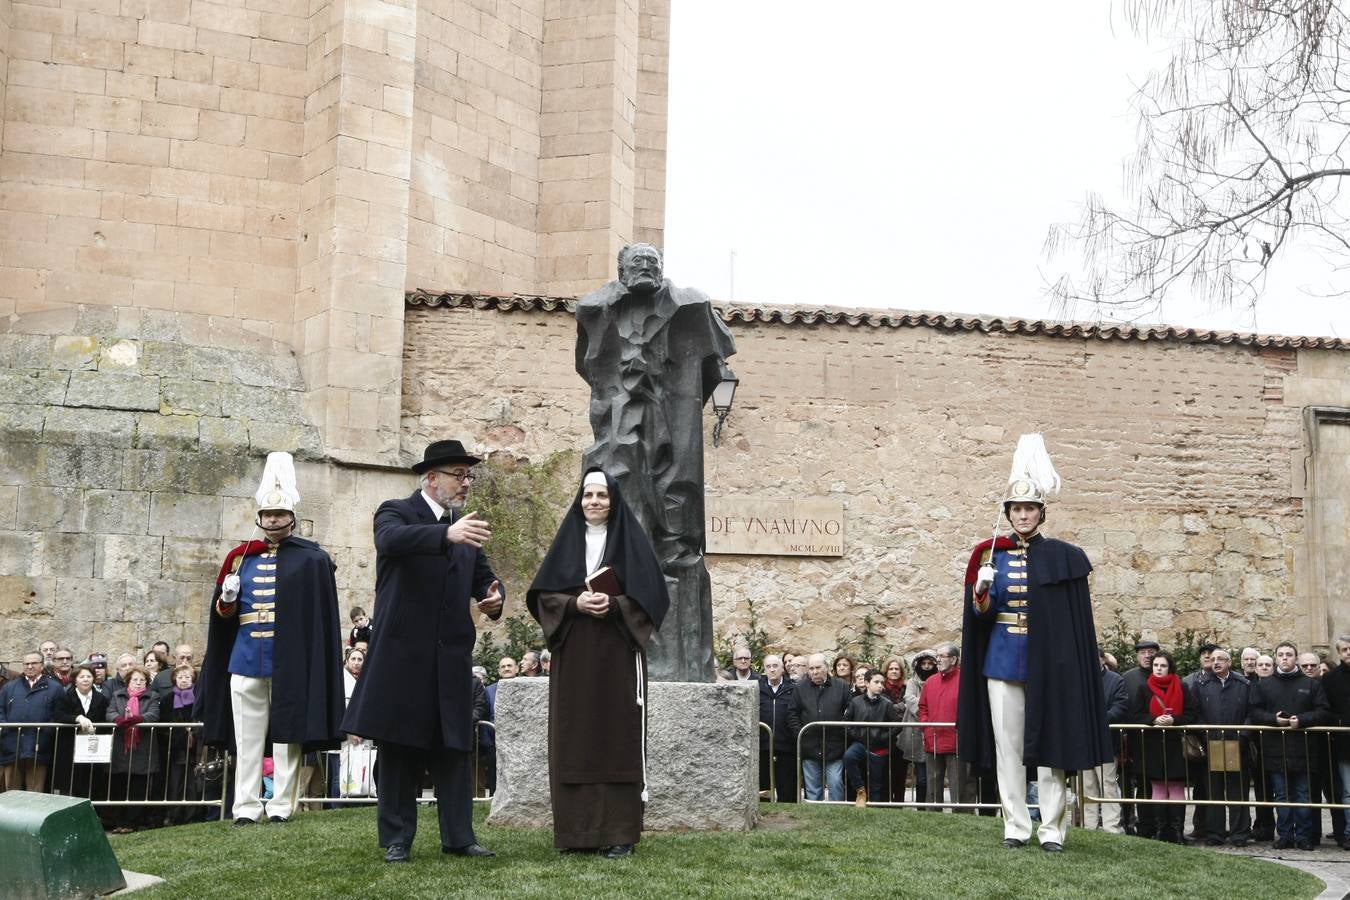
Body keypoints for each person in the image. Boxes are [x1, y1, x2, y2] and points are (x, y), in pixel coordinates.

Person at [574, 242, 736, 682]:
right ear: (621, 270)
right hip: (620, 428)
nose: (644, 267)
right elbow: (591, 369)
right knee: (624, 508)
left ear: (661, 269)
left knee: (676, 521)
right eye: (636, 262)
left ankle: (677, 650)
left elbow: (713, 365)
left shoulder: (691, 306)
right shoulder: (597, 308)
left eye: (652, 262)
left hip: (670, 423)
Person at [343, 439, 504, 864]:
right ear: (431, 478)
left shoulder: (465, 529)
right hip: (403, 656)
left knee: (454, 748)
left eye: (468, 475)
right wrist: (444, 534)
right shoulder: (396, 511)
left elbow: (486, 580)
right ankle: (397, 838)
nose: (465, 482)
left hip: (450, 657)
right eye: (458, 474)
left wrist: (493, 597)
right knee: (398, 749)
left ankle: (459, 837)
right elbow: (390, 541)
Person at [957, 435, 1111, 852]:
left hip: (1050, 665)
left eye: (1029, 508)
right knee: (1008, 752)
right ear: (1007, 513)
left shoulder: (1063, 556)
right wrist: (981, 593)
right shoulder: (990, 555)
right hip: (1003, 661)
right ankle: (1016, 826)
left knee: (1050, 749)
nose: (1023, 515)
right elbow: (980, 618)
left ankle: (1052, 830)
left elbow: (1071, 621)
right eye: (1016, 509)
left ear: (1041, 513)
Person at [527, 468, 670, 858]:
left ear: (613, 501)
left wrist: (615, 604)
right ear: (580, 501)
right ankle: (577, 834)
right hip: (574, 657)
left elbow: (654, 597)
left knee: (616, 740)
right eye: (588, 495)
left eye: (601, 496)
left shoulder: (630, 543)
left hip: (617, 656)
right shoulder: (566, 542)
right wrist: (575, 603)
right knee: (575, 739)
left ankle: (619, 833)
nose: (594, 502)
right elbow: (542, 597)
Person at [199, 451, 344, 825]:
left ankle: (281, 804)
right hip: (245, 658)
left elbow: (319, 618)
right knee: (247, 741)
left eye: (279, 515)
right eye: (267, 515)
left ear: (292, 518)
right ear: (259, 518)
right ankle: (245, 807)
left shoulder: (311, 559)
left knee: (286, 738)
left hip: (290, 660)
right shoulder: (239, 559)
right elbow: (224, 619)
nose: (273, 520)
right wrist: (227, 599)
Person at [1249, 641, 1330, 850]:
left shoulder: (1311, 684)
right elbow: (1255, 712)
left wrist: (1302, 720)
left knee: (1303, 795)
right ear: (1276, 657)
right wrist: (1273, 720)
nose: (1285, 658)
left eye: (1289, 654)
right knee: (1282, 795)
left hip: (1303, 749)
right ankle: (1284, 834)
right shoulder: (1264, 685)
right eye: (1281, 654)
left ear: (1296, 658)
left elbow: (1323, 711)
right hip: (1276, 750)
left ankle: (1303, 836)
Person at [1131, 651, 1194, 843]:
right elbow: (1136, 715)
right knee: (1157, 787)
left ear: (1170, 668)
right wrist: (1154, 720)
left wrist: (1174, 720)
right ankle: (1160, 831)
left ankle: (1176, 831)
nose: (1158, 669)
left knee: (1176, 787)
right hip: (1153, 746)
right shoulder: (1144, 688)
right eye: (1156, 665)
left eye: (1162, 665)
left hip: (1175, 745)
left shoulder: (1182, 687)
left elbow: (1192, 715)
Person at [1192, 648, 1252, 846]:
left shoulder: (1243, 684)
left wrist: (1243, 736)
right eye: (1213, 659)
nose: (1215, 662)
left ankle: (1239, 834)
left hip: (1237, 744)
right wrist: (1205, 734)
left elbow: (1251, 713)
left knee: (1238, 791)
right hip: (1213, 744)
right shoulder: (1201, 685)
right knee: (1214, 791)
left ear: (1229, 662)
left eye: (1220, 659)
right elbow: (1196, 712)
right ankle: (1215, 834)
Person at [787, 653, 850, 801]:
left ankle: (837, 818)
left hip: (835, 747)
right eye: (811, 668)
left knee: (836, 784)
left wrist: (842, 732)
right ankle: (814, 820)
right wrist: (800, 734)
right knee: (813, 789)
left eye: (818, 668)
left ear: (826, 667)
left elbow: (849, 711)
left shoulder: (841, 687)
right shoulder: (800, 688)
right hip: (810, 747)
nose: (815, 672)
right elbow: (792, 714)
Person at [105, 666, 161, 832]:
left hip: (142, 747)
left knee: (138, 785)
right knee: (119, 785)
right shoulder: (117, 695)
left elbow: (154, 715)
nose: (138, 683)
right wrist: (119, 719)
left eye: (142, 680)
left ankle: (131, 822)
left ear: (146, 682)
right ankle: (119, 821)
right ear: (128, 681)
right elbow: (109, 713)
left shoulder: (152, 696)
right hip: (121, 747)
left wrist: (137, 719)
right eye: (134, 680)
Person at [1080, 652, 1128, 834]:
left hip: (1107, 741)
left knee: (1107, 784)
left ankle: (1111, 826)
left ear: (1102, 659)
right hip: (1084, 742)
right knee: (1087, 785)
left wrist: (1098, 719)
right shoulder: (1081, 678)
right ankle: (1089, 825)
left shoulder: (1116, 680)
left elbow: (1121, 706)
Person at [0, 651, 60, 792]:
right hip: (12, 746)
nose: (30, 666)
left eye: (34, 663)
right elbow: (0, 709)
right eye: (26, 663)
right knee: (12, 792)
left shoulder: (54, 688)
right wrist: (4, 728)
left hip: (38, 747)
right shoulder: (10, 687)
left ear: (42, 665)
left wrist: (46, 733)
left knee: (35, 792)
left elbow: (58, 714)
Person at [920, 644, 969, 813]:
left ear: (954, 659)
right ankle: (932, 818)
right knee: (933, 785)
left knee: (959, 785)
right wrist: (926, 728)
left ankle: (963, 818)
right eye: (937, 656)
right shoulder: (930, 682)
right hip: (932, 740)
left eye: (942, 656)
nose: (938, 660)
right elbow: (923, 707)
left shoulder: (965, 681)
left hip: (957, 742)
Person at [52, 664, 110, 801]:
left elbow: (105, 721)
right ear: (75, 680)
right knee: (70, 783)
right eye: (82, 677)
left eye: (89, 676)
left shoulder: (101, 699)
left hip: (93, 750)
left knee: (91, 783)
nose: (86, 680)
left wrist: (96, 728)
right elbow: (59, 715)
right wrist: (77, 718)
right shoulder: (65, 697)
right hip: (70, 747)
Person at [1121, 638, 1160, 838]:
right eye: (1143, 653)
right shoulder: (1128, 677)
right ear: (1137, 656)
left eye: (1151, 652)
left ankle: (1157, 824)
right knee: (1133, 783)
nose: (1147, 656)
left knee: (1158, 784)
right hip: (1134, 740)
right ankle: (1133, 823)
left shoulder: (1165, 675)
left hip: (1159, 740)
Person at [844, 668, 899, 804]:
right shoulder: (856, 702)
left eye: (882, 682)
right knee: (849, 757)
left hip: (879, 748)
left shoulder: (887, 704)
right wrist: (857, 735)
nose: (880, 685)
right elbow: (846, 722)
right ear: (867, 683)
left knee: (876, 783)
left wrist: (883, 737)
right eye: (877, 682)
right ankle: (860, 790)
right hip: (860, 743)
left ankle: (874, 810)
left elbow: (897, 724)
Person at [899, 649, 937, 806]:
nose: (927, 667)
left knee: (932, 775)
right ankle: (921, 806)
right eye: (924, 663)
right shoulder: (913, 682)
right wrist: (926, 707)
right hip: (915, 731)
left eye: (930, 663)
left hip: (933, 731)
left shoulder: (937, 681)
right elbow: (909, 698)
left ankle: (931, 805)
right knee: (921, 776)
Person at [758, 654, 796, 803]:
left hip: (786, 745)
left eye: (775, 666)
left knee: (787, 788)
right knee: (763, 787)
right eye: (768, 666)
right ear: (764, 669)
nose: (772, 670)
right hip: (763, 745)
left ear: (782, 669)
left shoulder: (793, 688)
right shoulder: (757, 688)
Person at [880, 656, 909, 803]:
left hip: (902, 735)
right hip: (886, 735)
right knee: (885, 772)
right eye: (891, 669)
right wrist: (899, 707)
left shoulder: (906, 687)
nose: (894, 671)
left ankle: (899, 802)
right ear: (886, 671)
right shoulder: (881, 687)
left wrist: (894, 708)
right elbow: (885, 708)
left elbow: (907, 707)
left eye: (897, 669)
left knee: (900, 773)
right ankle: (886, 803)